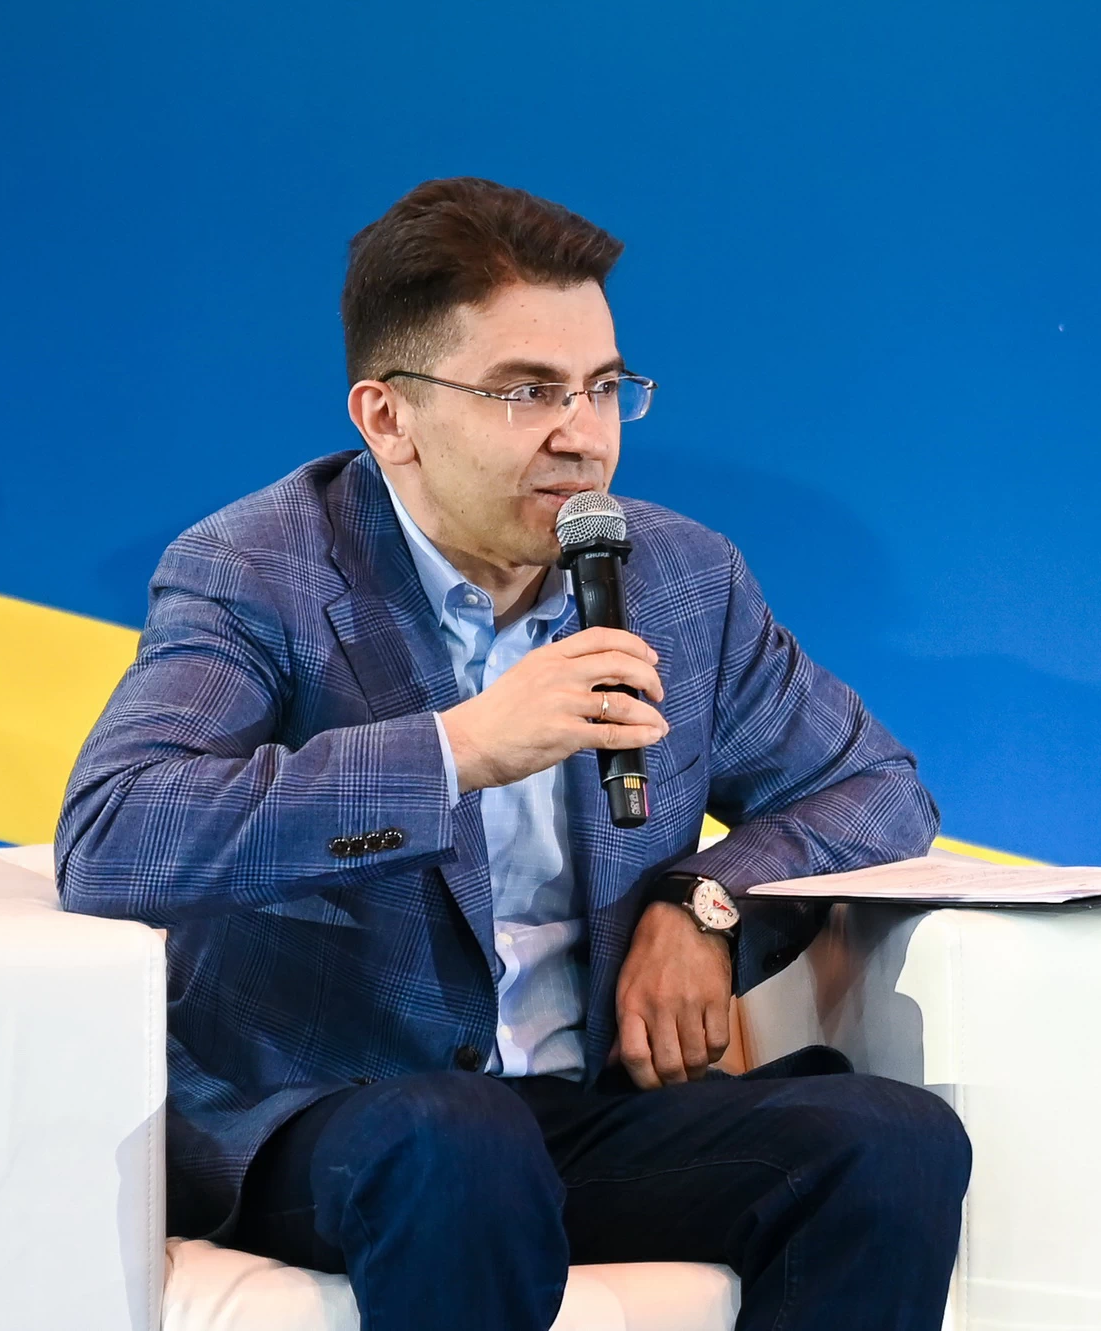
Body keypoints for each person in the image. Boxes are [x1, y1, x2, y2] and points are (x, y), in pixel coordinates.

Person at [56, 177, 969, 1330]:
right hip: (326, 1118)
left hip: (578, 1110)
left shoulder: (678, 579)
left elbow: (873, 787)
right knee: (458, 1137)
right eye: (525, 391)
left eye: (602, 387)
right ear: (387, 417)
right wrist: (459, 748)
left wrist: (704, 903)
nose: (581, 435)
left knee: (887, 1139)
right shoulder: (259, 572)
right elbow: (117, 833)